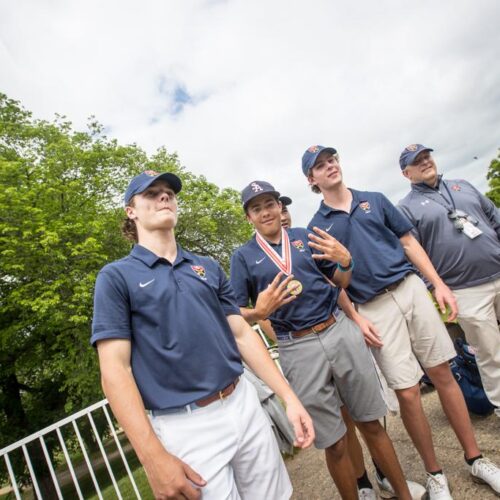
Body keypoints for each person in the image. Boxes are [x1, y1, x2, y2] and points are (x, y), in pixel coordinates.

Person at [91, 170, 314, 500]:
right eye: (151, 194)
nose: (164, 196)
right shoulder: (115, 277)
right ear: (131, 211)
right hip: (185, 426)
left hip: (242, 403)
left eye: (168, 192)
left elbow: (241, 334)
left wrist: (289, 397)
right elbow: (115, 371)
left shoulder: (207, 266)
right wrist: (153, 458)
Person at [303, 145, 500, 499]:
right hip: (372, 307)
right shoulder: (317, 228)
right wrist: (356, 319)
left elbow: (408, 242)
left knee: (443, 373)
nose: (329, 165)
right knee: (408, 393)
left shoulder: (374, 200)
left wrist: (438, 284)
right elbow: (335, 282)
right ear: (311, 179)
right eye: (320, 165)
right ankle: (435, 473)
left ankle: (476, 458)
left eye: (332, 159)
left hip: (409, 287)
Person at [230, 180, 414, 500]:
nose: (266, 212)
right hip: (296, 346)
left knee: (371, 423)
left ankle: (404, 494)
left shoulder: (303, 237)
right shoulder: (243, 257)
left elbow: (340, 281)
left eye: (270, 204)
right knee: (335, 441)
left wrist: (346, 262)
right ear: (248, 217)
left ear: (279, 206)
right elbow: (233, 313)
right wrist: (258, 312)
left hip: (337, 328)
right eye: (256, 208)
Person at [398, 144, 500, 415]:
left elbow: (494, 218)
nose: (425, 162)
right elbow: (412, 256)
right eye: (416, 162)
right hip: (464, 290)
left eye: (426, 156)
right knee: (490, 354)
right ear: (406, 174)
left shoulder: (463, 185)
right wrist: (434, 287)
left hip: (498, 270)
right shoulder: (405, 209)